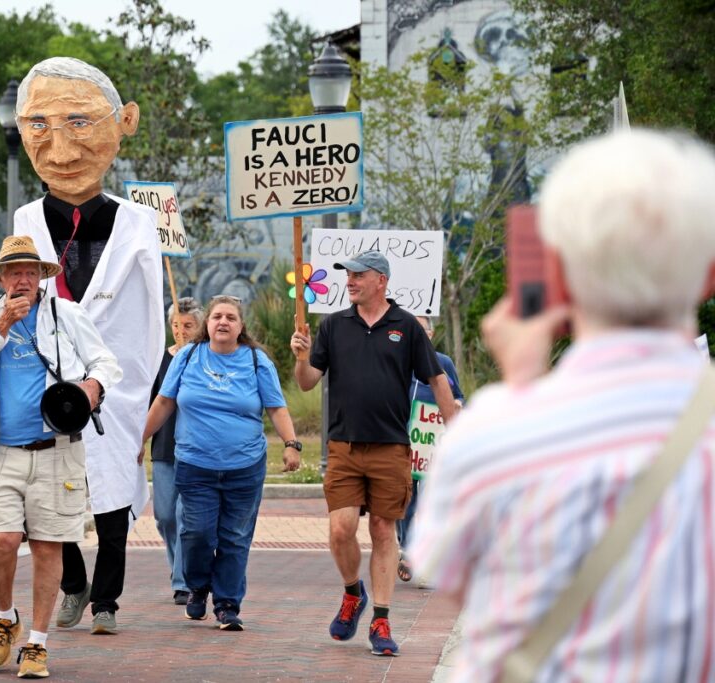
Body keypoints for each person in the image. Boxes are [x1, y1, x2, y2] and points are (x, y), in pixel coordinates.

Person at [409, 130, 715, 681]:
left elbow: (465, 588)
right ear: (709, 274)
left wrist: (520, 390)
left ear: (555, 271)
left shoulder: (492, 435)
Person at [12, 56, 165, 635]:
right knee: (47, 496)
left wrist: (142, 383)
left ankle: (106, 601)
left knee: (112, 493)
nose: (60, 147)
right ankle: (73, 583)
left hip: (117, 384)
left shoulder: (137, 223)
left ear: (123, 122)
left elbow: (150, 312)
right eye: (39, 127)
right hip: (44, 381)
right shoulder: (26, 218)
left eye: (80, 123)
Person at [0, 235, 122, 678]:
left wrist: (93, 386)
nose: (23, 278)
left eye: (31, 271)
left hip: (57, 451)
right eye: (15, 271)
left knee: (49, 546)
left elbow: (107, 362)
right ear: (1, 278)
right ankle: (6, 618)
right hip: (1, 451)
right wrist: (1, 326)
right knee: (1, 544)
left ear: (42, 276)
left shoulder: (65, 314)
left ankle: (37, 644)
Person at [289, 250, 457, 656]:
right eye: (349, 275)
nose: (350, 281)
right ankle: (353, 593)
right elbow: (309, 382)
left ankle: (381, 620)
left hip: (391, 447)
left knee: (384, 531)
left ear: (381, 280)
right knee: (341, 530)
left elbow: (436, 379)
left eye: (358, 275)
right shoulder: (333, 325)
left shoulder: (406, 327)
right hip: (344, 446)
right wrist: (300, 358)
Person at [143, 295, 301, 630]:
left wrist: (291, 444)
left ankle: (228, 603)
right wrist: (139, 439)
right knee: (196, 533)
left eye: (231, 317)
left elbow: (277, 407)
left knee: (235, 536)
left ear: (241, 326)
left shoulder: (257, 361)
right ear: (207, 323)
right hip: (195, 464)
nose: (223, 322)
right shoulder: (187, 357)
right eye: (217, 316)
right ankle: (198, 586)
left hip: (244, 467)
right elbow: (164, 402)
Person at [396, 316, 463, 583]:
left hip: (432, 446)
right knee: (406, 498)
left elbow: (458, 395)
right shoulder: (398, 361)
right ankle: (407, 548)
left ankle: (419, 556)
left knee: (428, 500)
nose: (417, 334)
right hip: (403, 442)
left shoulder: (442, 363)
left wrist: (457, 405)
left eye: (421, 329)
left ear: (432, 333)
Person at [149, 297, 205, 605]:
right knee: (165, 516)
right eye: (176, 325)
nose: (181, 332)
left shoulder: (203, 356)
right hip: (164, 446)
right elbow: (151, 401)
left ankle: (183, 581)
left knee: (186, 516)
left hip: (195, 448)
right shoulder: (160, 358)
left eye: (188, 326)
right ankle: (178, 570)